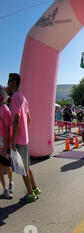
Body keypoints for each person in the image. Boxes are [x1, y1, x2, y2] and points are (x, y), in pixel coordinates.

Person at [7, 73, 41, 203]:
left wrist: (14, 139)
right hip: (24, 138)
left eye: (9, 81)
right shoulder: (22, 97)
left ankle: (30, 194)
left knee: (23, 169)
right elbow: (28, 119)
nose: (8, 83)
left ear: (14, 82)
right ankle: (35, 188)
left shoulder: (15, 97)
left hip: (19, 140)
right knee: (27, 167)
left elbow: (17, 119)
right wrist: (24, 131)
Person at [0, 85, 14, 199]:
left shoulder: (5, 110)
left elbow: (8, 127)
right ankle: (4, 189)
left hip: (5, 144)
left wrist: (5, 146)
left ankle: (11, 182)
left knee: (7, 166)